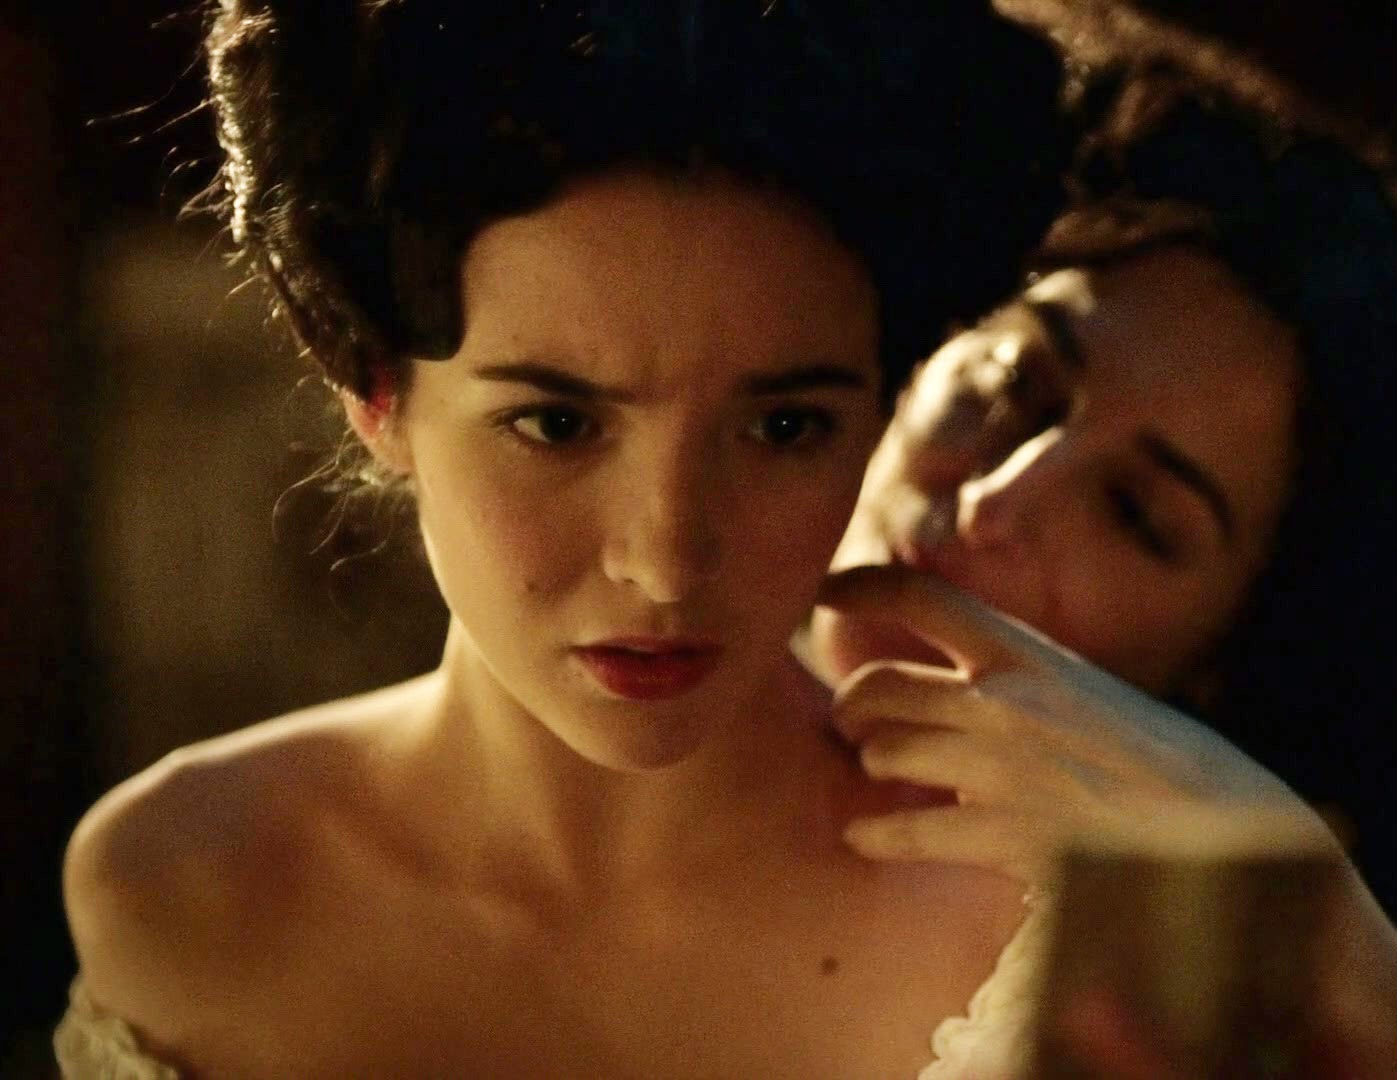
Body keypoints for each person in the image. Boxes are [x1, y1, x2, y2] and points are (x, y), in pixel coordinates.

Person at [54, 2, 1074, 1077]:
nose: (664, 564)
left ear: (878, 411)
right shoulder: (180, 885)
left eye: (784, 428)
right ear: (375, 393)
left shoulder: (1027, 912)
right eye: (555, 424)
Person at [812, 62, 1397, 1077]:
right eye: (1014, 383)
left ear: (1214, 666)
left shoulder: (1166, 1025)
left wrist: (1305, 898)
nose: (997, 498)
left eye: (1135, 514)